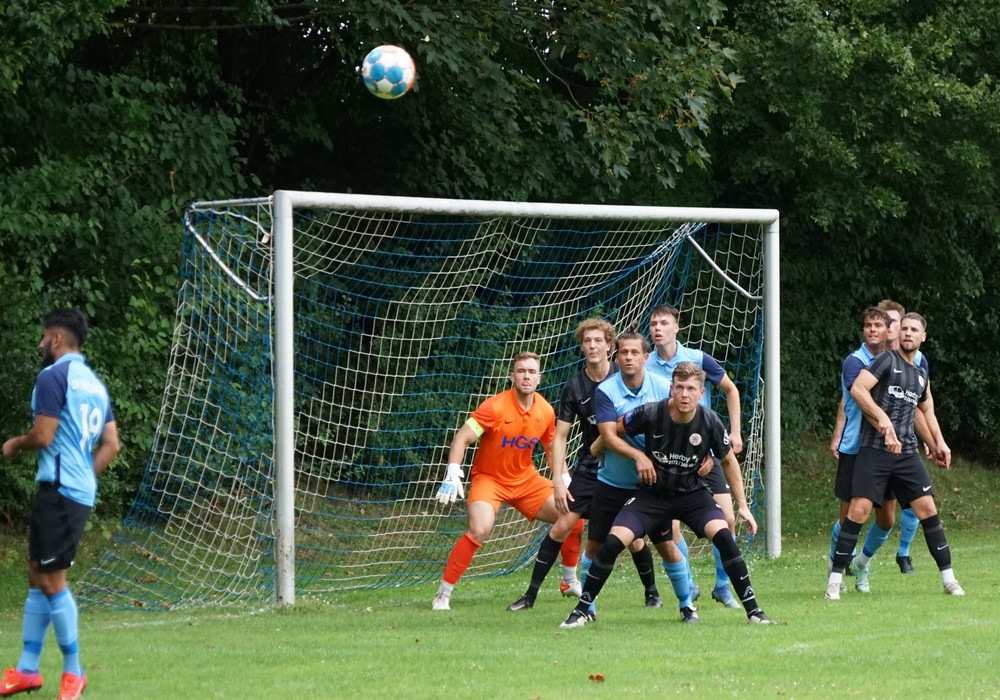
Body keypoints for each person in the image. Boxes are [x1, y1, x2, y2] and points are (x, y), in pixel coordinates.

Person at [560, 362, 772, 628]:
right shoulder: (650, 412)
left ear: (701, 393)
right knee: (613, 541)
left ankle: (754, 611)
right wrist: (597, 448)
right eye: (680, 387)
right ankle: (582, 610)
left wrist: (742, 505)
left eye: (691, 389)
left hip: (692, 495)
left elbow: (728, 460)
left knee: (724, 538)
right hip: (653, 495)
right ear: (671, 388)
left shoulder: (710, 421)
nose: (684, 394)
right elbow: (615, 428)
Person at [1, 308, 120, 700]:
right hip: (69, 489)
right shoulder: (95, 385)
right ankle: (27, 670)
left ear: (56, 339)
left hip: (60, 491)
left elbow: (43, 435)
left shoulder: (53, 376)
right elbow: (112, 444)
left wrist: (15, 444)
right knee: (37, 573)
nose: (40, 344)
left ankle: (74, 671)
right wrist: (84, 476)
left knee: (52, 580)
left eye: (43, 337)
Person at [825, 313, 962, 600]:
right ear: (898, 334)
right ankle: (835, 581)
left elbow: (925, 410)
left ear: (923, 337)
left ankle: (949, 580)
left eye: (914, 330)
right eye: (905, 329)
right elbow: (858, 389)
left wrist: (939, 443)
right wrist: (883, 420)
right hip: (874, 448)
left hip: (907, 452)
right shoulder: (885, 360)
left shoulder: (921, 372)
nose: (908, 333)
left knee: (927, 509)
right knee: (858, 511)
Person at [431, 351, 578, 611]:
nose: (526, 376)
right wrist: (453, 472)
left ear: (539, 378)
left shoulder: (545, 410)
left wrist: (564, 479)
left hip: (525, 480)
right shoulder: (494, 407)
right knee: (479, 529)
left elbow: (551, 449)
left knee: (572, 511)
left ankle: (569, 581)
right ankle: (442, 595)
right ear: (512, 376)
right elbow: (462, 439)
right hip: (489, 480)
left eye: (531, 372)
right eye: (521, 371)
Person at [506, 318, 616, 611]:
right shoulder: (574, 387)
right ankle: (530, 596)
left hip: (627, 464)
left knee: (637, 533)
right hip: (591, 466)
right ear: (581, 347)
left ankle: (656, 594)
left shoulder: (624, 376)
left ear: (609, 345)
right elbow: (560, 437)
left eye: (598, 340)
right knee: (563, 523)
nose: (592, 346)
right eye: (587, 341)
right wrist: (558, 480)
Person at [583, 331, 694, 622]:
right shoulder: (606, 391)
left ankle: (687, 605)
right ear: (616, 357)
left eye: (635, 352)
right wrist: (638, 455)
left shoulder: (662, 387)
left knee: (666, 545)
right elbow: (608, 436)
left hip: (652, 486)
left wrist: (701, 454)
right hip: (613, 482)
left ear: (645, 357)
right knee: (595, 545)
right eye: (624, 352)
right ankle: (586, 608)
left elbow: (685, 421)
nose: (629, 357)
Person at [645, 304, 742, 609]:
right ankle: (687, 586)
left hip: (705, 456)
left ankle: (723, 587)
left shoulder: (698, 359)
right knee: (671, 528)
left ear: (676, 328)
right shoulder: (645, 363)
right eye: (653, 323)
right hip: (669, 461)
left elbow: (731, 390)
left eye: (664, 323)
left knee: (727, 520)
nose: (657, 328)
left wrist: (734, 433)